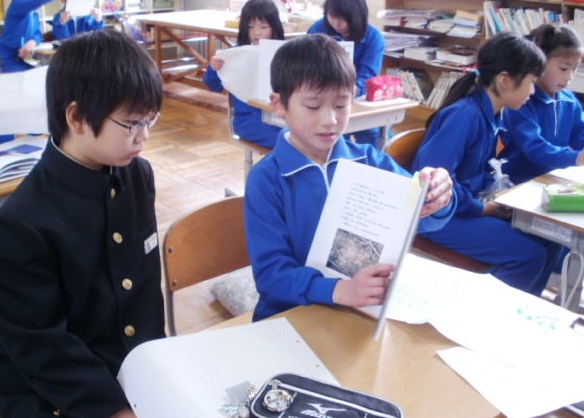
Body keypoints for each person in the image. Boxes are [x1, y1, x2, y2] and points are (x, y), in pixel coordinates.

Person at [0, 31, 165, 418]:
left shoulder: (137, 176)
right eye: (131, 123)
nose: (143, 137)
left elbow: (143, 294)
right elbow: (42, 346)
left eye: (149, 120)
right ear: (75, 117)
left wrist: (158, 367)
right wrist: (115, 408)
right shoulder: (21, 223)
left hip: (133, 373)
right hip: (59, 394)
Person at [244, 33, 455, 321]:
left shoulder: (370, 161)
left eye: (341, 104)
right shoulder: (267, 180)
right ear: (279, 105)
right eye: (313, 106)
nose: (330, 120)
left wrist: (438, 197)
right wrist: (338, 290)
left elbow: (423, 220)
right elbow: (271, 276)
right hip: (290, 316)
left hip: (362, 311)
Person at [411, 32, 562, 296]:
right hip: (439, 217)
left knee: (551, 238)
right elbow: (433, 185)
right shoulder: (464, 116)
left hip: (464, 207)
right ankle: (489, 310)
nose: (533, 91)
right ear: (504, 80)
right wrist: (482, 208)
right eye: (530, 82)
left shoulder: (491, 114)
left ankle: (523, 304)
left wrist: (497, 199)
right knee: (529, 255)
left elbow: (478, 172)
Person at [501, 24, 584, 185]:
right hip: (519, 183)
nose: (569, 77)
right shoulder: (521, 101)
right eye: (564, 68)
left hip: (554, 179)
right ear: (540, 62)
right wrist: (576, 158)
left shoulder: (569, 101)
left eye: (574, 69)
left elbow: (580, 135)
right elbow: (535, 148)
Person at [203, 0, 284, 149]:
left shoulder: (282, 52)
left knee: (301, 136)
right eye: (250, 27)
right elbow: (213, 86)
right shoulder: (237, 53)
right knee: (285, 141)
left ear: (274, 27)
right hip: (248, 119)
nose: (257, 33)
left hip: (279, 115)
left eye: (264, 27)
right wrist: (213, 68)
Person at [307, 0, 385, 149]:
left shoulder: (373, 37)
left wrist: (356, 88)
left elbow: (369, 74)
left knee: (371, 133)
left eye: (343, 18)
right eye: (332, 16)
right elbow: (305, 62)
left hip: (359, 99)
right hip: (321, 96)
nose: (337, 23)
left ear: (357, 15)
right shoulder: (318, 29)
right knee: (328, 133)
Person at [0, 0, 52, 73]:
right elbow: (38, 1)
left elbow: (38, 34)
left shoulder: (33, 12)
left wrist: (32, 42)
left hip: (22, 60)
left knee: (47, 73)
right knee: (44, 75)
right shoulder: (17, 3)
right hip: (8, 60)